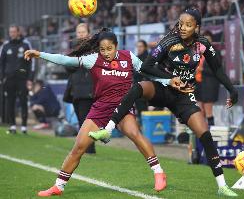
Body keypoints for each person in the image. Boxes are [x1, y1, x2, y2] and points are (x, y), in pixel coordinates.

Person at [91, 8, 239, 197]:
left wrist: (232, 89)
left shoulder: (202, 44)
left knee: (205, 134)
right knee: (137, 88)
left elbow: (217, 68)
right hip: (163, 88)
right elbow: (146, 67)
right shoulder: (169, 41)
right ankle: (109, 128)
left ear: (197, 27)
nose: (183, 28)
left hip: (184, 97)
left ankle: (222, 185)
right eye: (181, 24)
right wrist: (170, 79)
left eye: (188, 25)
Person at [24, 28, 168, 197]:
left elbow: (148, 71)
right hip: (100, 108)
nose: (106, 53)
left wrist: (169, 80)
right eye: (102, 49)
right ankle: (58, 186)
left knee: (134, 133)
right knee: (78, 147)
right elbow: (65, 60)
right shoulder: (93, 60)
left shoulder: (129, 57)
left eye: (110, 49)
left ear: (116, 46)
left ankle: (158, 172)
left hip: (122, 107)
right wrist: (40, 54)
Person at [63, 23, 96, 154]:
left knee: (86, 121)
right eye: (78, 32)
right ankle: (87, 148)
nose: (81, 34)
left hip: (89, 90)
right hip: (76, 90)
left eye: (83, 32)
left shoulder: (94, 48)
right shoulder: (73, 48)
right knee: (82, 120)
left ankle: (89, 149)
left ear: (88, 33)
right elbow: (67, 67)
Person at [0, 25, 35, 134]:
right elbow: (1, 63)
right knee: (10, 102)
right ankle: (13, 126)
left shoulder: (26, 44)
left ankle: (24, 127)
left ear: (18, 32)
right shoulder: (5, 46)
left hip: (22, 79)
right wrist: (2, 78)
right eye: (10, 32)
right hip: (9, 79)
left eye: (14, 32)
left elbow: (32, 62)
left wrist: (30, 78)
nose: (12, 34)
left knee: (23, 101)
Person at [195, 30, 220, 126]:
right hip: (198, 84)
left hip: (209, 85)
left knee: (208, 111)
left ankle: (211, 133)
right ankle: (202, 132)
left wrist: (201, 69)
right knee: (200, 111)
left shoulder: (214, 53)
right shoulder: (198, 53)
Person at [134, 40, 149, 125]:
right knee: (140, 110)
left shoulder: (147, 58)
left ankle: (146, 128)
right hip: (139, 87)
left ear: (145, 47)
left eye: (141, 46)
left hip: (145, 87)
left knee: (144, 110)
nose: (139, 48)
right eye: (138, 46)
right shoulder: (137, 58)